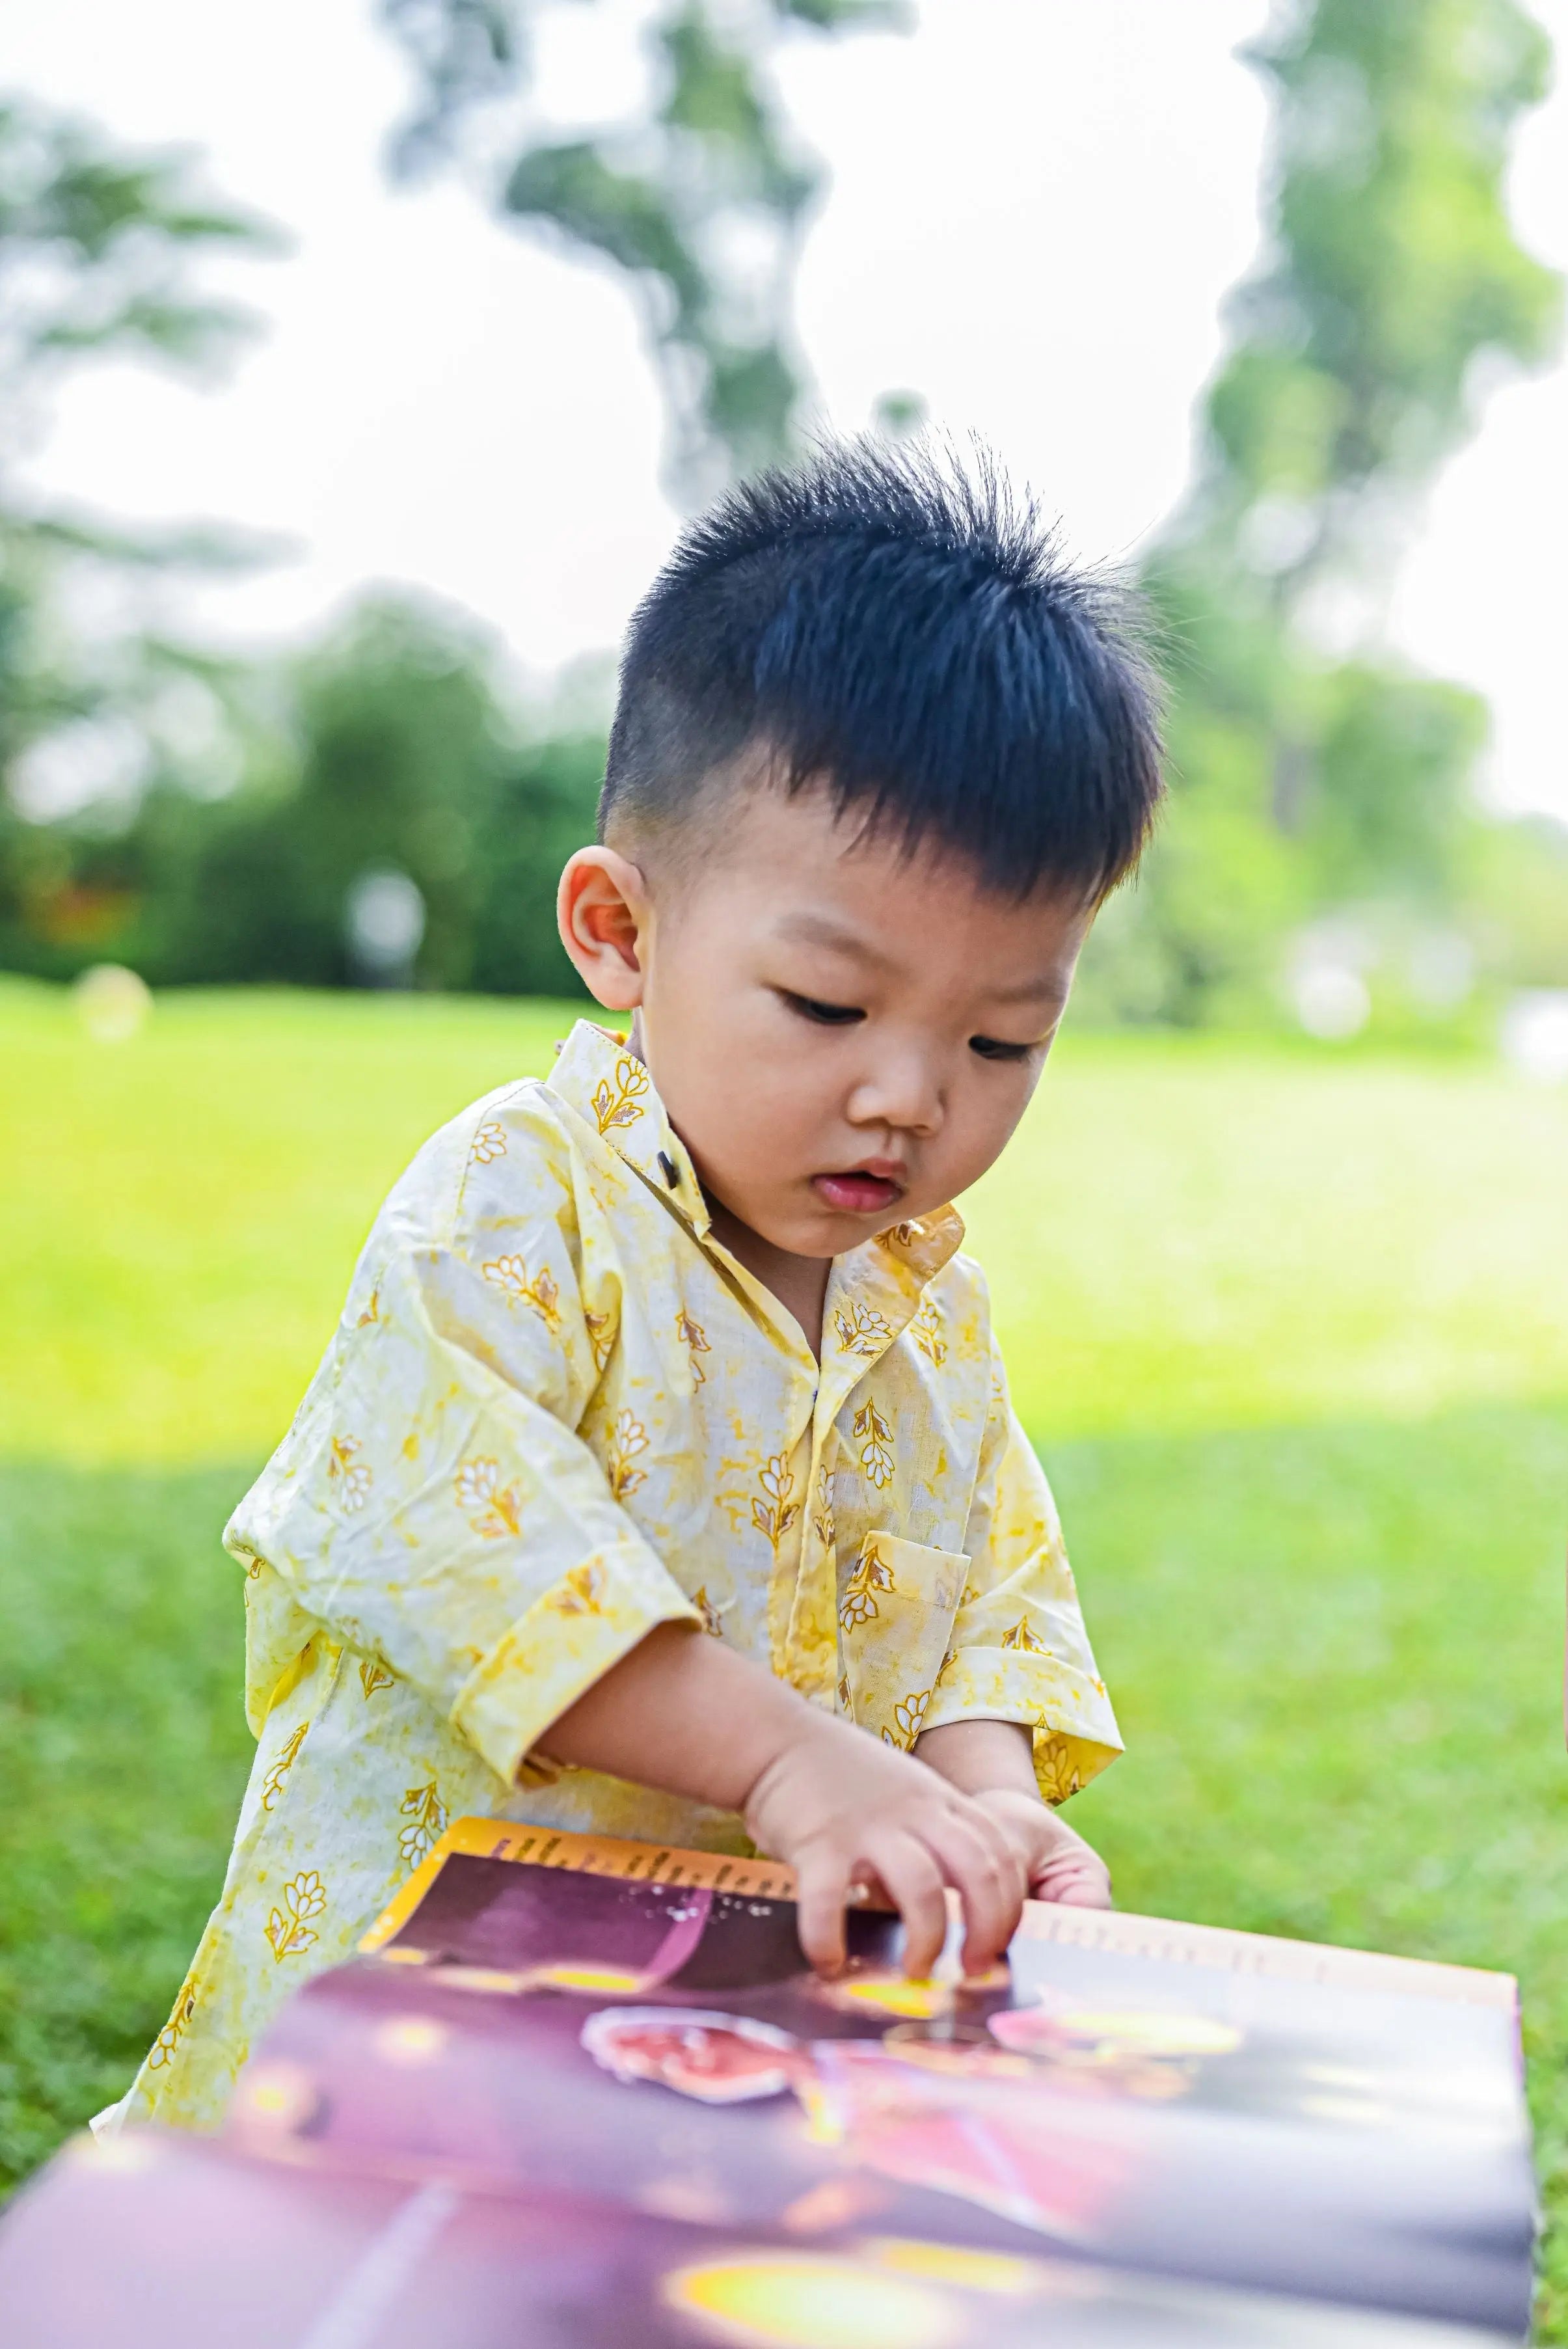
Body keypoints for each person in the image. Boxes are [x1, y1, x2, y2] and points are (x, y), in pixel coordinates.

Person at [107, 439, 1163, 2133]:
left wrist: (980, 1803)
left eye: (1000, 1039)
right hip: (419, 2016)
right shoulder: (517, 1202)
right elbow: (477, 1553)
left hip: (711, 2030)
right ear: (619, 931)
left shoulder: (925, 1310)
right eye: (828, 1007)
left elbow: (984, 1600)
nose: (910, 1094)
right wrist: (786, 1756)